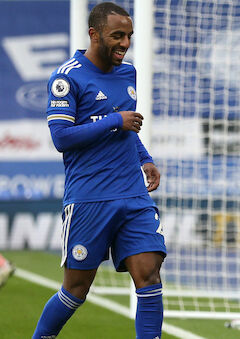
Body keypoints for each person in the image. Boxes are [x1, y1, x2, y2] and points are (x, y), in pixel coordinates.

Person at [33, 3, 166, 338]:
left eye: (129, 36)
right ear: (94, 34)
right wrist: (113, 120)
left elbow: (126, 128)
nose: (124, 43)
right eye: (116, 36)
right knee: (76, 289)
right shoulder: (66, 78)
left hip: (132, 194)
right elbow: (61, 137)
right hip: (90, 198)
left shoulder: (128, 73)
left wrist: (144, 158)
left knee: (149, 275)